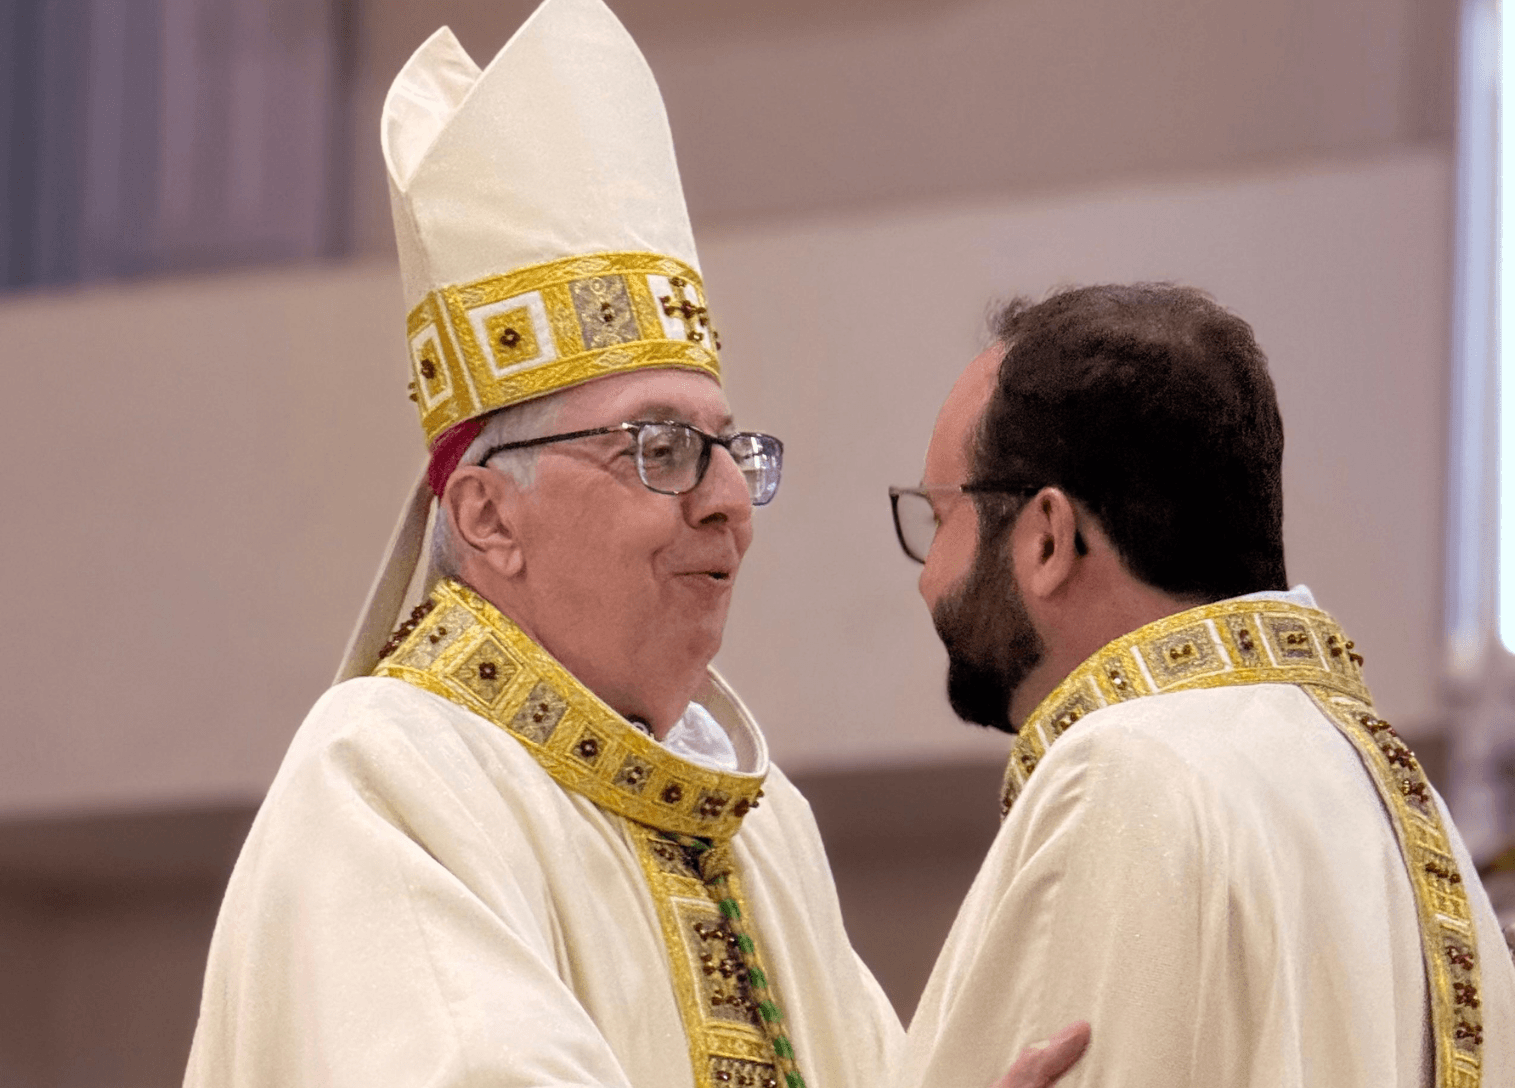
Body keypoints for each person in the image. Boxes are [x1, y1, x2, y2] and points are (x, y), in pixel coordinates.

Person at [182, 2, 1087, 1086]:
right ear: (486, 516)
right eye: (659, 448)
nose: (727, 501)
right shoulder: (387, 775)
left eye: (728, 448)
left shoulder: (761, 826)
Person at [893, 284, 1515, 1088]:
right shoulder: (1389, 793)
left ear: (1047, 537)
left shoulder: (1124, 772)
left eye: (938, 519)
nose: (927, 578)